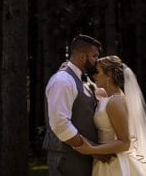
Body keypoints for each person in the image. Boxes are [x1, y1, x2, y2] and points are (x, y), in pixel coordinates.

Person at [73, 55, 146, 176]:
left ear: (109, 75)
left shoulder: (115, 102)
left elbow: (125, 143)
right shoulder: (106, 95)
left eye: (97, 72)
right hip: (105, 159)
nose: (94, 76)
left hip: (115, 162)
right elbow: (91, 87)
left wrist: (91, 150)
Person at [44, 34, 104, 176]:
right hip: (67, 158)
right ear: (83, 57)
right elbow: (60, 124)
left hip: (82, 157)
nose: (97, 61)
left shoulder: (84, 80)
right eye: (94, 56)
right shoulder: (63, 81)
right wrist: (92, 148)